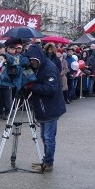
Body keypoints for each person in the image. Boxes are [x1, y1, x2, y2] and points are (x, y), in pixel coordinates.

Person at [23, 44, 66, 172]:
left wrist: (32, 86)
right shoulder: (37, 67)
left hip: (51, 108)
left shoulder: (49, 68)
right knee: (44, 136)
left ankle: (48, 163)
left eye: (33, 60)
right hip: (43, 108)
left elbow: (51, 89)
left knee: (48, 137)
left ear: (39, 58)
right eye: (30, 60)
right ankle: (46, 160)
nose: (31, 62)